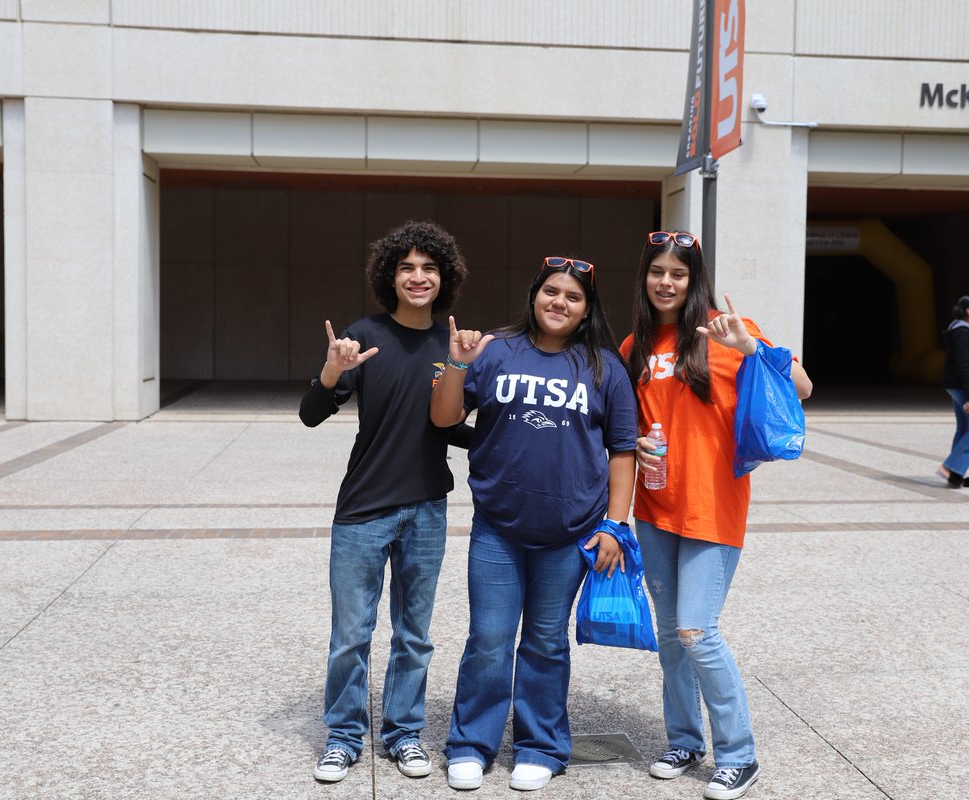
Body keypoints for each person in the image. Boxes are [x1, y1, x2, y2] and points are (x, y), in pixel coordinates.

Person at [430, 256, 638, 792]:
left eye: (573, 297)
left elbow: (622, 451)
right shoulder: (496, 350)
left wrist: (615, 525)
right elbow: (444, 418)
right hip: (498, 528)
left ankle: (539, 746)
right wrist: (456, 364)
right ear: (534, 295)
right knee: (489, 639)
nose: (559, 302)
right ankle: (470, 744)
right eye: (551, 291)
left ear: (587, 309)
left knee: (546, 642)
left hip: (571, 533)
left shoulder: (605, 368)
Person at [619, 230, 812, 800]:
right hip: (655, 507)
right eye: (657, 271)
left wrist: (751, 349)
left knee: (696, 631)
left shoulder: (730, 330)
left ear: (694, 280)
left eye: (678, 274)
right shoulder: (635, 346)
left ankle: (739, 754)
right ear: (645, 277)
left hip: (712, 508)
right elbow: (625, 424)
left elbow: (803, 387)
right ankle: (684, 740)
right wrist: (635, 440)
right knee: (670, 637)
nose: (666, 282)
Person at [299, 220, 471, 784]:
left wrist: (517, 435)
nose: (418, 277)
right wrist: (333, 370)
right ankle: (343, 737)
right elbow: (311, 414)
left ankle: (403, 734)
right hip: (364, 508)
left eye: (429, 267)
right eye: (406, 268)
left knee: (414, 635)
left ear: (444, 277)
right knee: (351, 636)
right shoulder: (364, 335)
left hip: (427, 507)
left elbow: (452, 427)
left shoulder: (451, 344)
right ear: (389, 277)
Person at [938, 295, 969, 489]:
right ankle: (949, 467)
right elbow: (963, 366)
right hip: (962, 388)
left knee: (965, 427)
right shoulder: (962, 331)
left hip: (960, 386)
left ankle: (956, 475)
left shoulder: (961, 329)